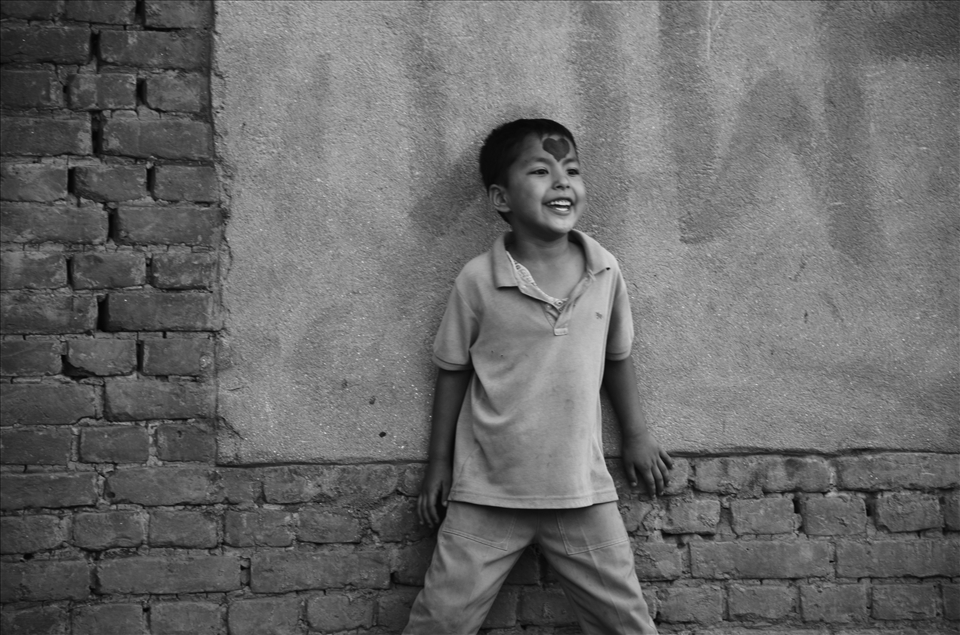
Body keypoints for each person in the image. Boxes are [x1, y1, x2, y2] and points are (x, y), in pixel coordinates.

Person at [404, 118, 672, 635]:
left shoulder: (605, 271)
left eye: (571, 170)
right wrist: (439, 464)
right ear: (501, 198)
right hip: (487, 493)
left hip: (581, 493)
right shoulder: (478, 280)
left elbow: (616, 357)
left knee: (627, 625)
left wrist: (636, 435)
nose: (562, 182)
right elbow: (453, 372)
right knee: (440, 621)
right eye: (541, 170)